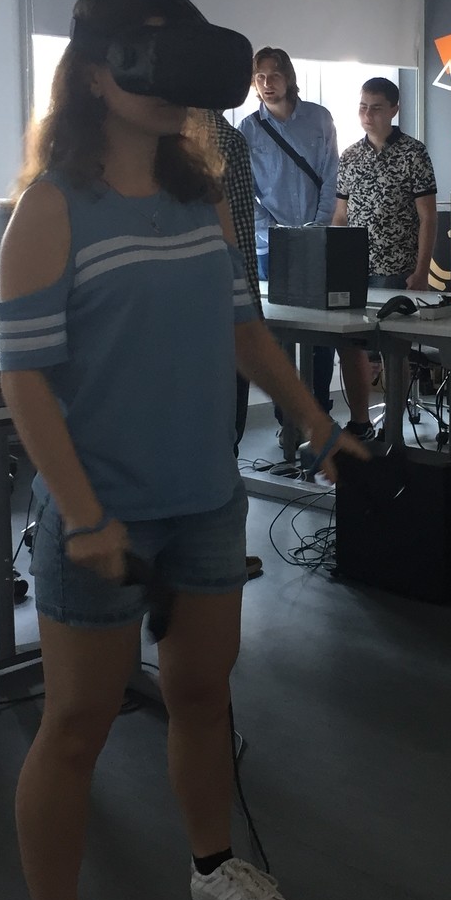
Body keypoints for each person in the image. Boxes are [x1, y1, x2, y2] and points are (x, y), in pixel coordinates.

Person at [0, 0, 366, 900]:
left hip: (205, 501)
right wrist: (82, 514)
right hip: (100, 510)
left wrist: (315, 424)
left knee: (201, 697)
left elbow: (244, 331)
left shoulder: (201, 201)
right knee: (78, 725)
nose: (168, 85)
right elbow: (23, 381)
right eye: (145, 59)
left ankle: (211, 865)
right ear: (92, 76)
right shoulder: (50, 208)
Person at [330, 77, 438, 438]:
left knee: (394, 351)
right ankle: (360, 422)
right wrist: (333, 263)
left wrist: (421, 271)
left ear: (394, 109)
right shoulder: (350, 156)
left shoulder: (413, 153)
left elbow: (428, 217)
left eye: (376, 108)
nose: (367, 114)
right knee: (350, 346)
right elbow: (340, 215)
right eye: (363, 107)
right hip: (354, 270)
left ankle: (393, 426)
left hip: (397, 270)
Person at [239, 47, 339, 432]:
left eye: (274, 75)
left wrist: (318, 224)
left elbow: (331, 175)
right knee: (280, 337)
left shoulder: (319, 118)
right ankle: (288, 421)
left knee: (322, 334)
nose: (267, 83)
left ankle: (320, 413)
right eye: (260, 77)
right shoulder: (248, 129)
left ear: (289, 77)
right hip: (272, 247)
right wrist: (273, 230)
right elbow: (246, 193)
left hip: (318, 241)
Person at [209, 108, 265, 580]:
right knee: (225, 436)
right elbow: (240, 240)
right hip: (219, 320)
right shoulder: (224, 140)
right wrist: (252, 321)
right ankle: (223, 552)